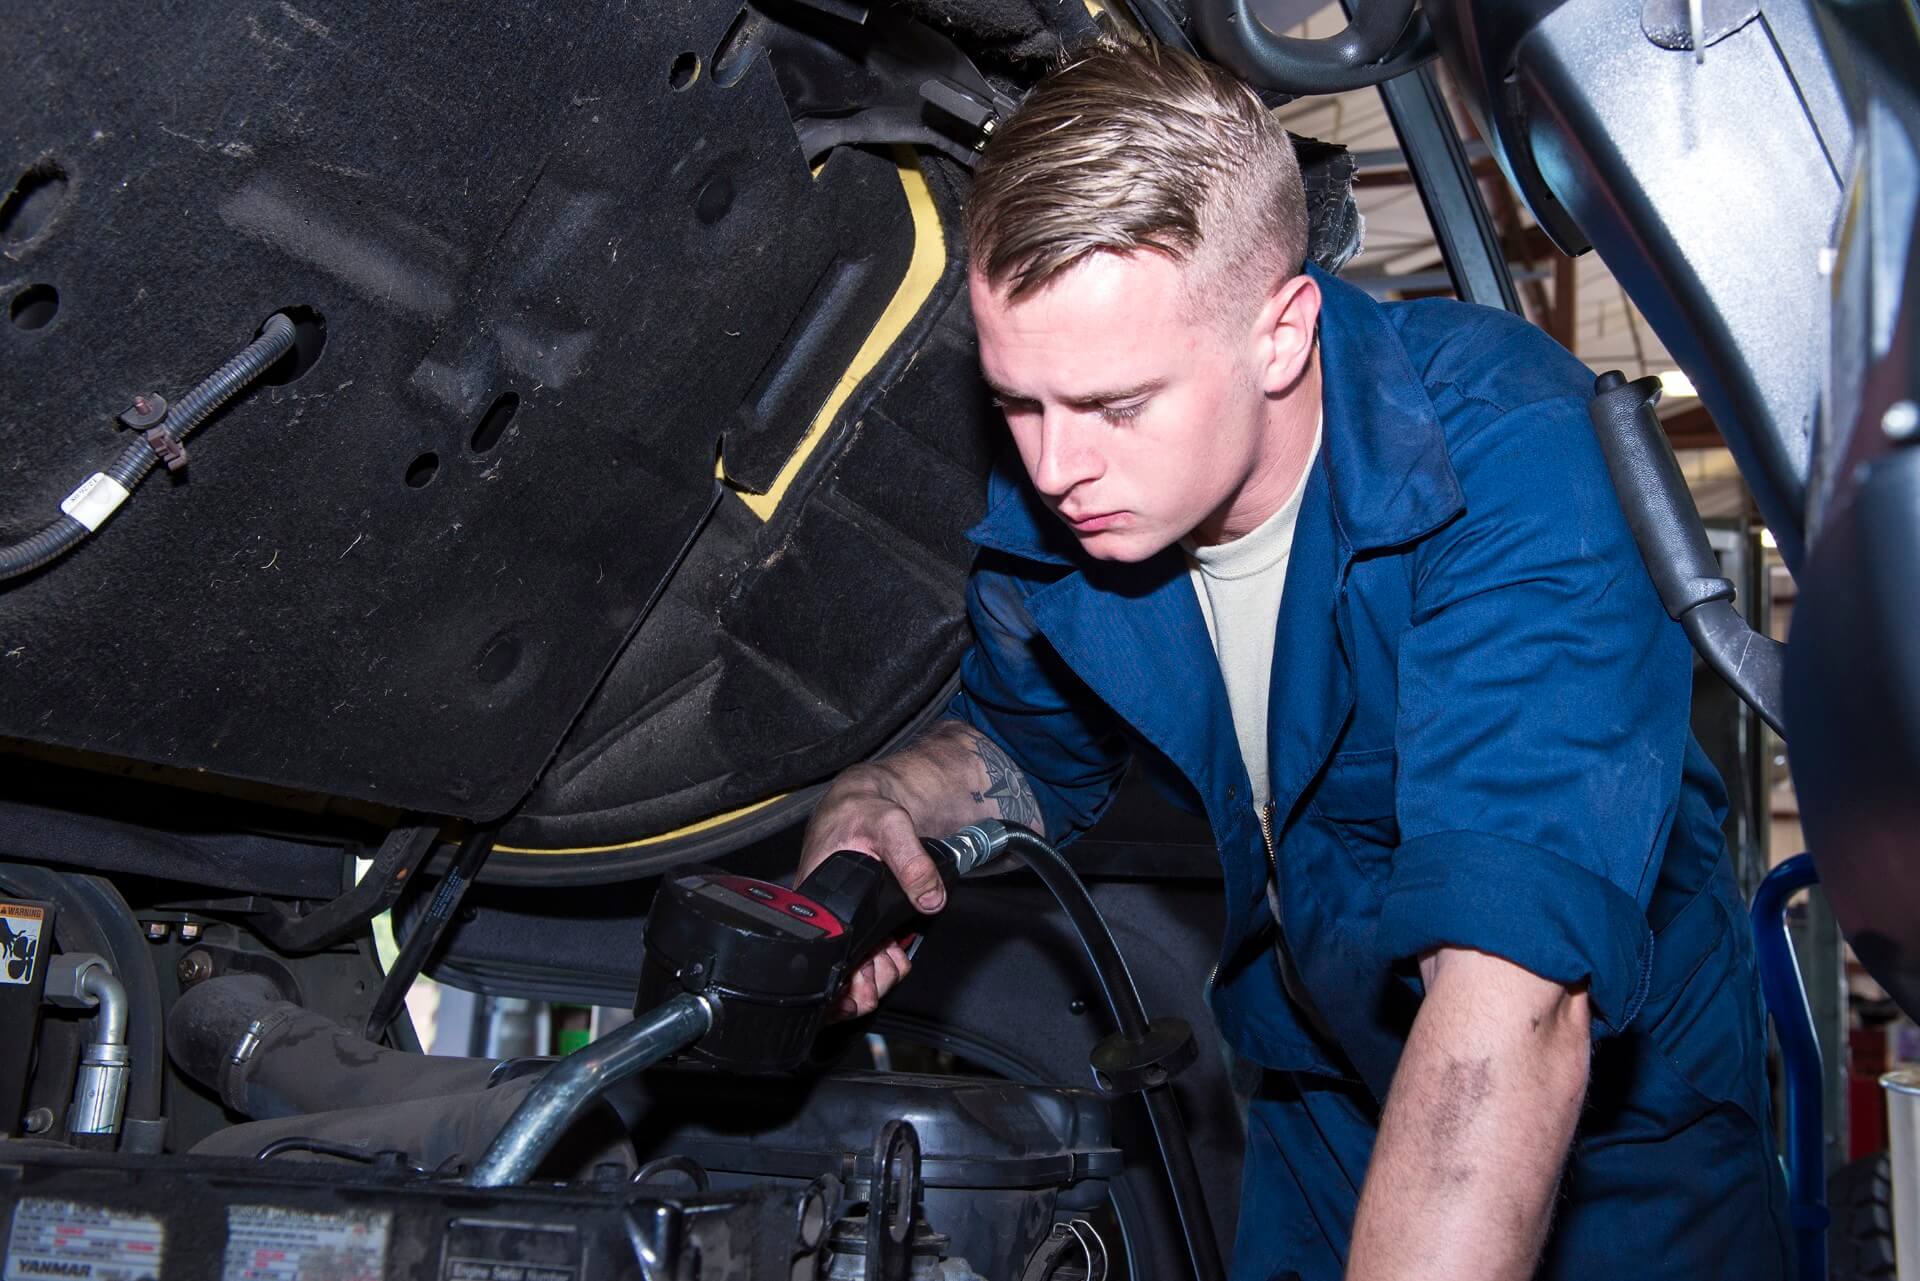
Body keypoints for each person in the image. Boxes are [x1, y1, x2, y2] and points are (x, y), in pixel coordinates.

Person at [798, 38, 1791, 1281]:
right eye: (1017, 403)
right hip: (1323, 1107)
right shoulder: (1096, 505)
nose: (1053, 468)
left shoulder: (1514, 465)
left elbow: (1516, 997)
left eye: (1116, 406)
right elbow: (1022, 748)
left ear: (1281, 336)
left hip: (1606, 1147)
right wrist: (886, 801)